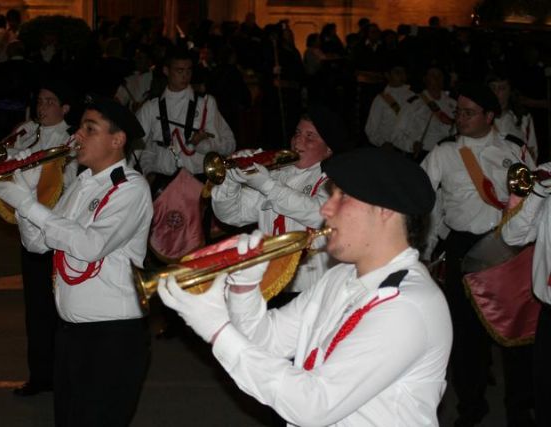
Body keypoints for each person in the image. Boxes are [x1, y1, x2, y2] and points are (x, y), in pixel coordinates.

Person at [158, 147, 452, 426]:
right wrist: (244, 288)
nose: (326, 209)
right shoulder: (342, 276)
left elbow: (314, 404)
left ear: (385, 211)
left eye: (342, 196)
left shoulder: (406, 307)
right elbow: (266, 341)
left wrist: (218, 330)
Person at [0, 96, 152, 426]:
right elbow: (37, 243)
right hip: (72, 333)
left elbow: (90, 246)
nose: (77, 137)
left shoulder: (131, 188)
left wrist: (29, 206)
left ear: (117, 141)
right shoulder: (82, 183)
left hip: (112, 336)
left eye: (91, 129)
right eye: (79, 129)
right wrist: (25, 194)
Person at [421, 84, 535, 427]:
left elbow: (532, 199)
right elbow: (421, 195)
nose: (461, 119)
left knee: (514, 333)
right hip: (464, 247)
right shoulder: (443, 153)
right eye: (458, 112)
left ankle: (519, 408)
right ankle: (471, 406)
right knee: (466, 335)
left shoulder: (513, 150)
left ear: (490, 116)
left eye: (469, 113)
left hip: (506, 247)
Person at [211, 105, 342, 302]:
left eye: (310, 136)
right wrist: (230, 179)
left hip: (309, 289)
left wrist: (268, 186)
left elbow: (319, 214)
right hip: (269, 282)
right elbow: (231, 215)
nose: (298, 140)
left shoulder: (332, 180)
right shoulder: (276, 174)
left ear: (328, 149)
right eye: (297, 133)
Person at [7, 81, 79, 397]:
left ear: (64, 109)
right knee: (35, 307)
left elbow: (73, 182)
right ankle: (39, 375)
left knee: (61, 308)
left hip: (58, 227)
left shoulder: (72, 139)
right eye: (40, 100)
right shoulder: (25, 131)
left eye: (50, 101)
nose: (42, 106)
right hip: (30, 227)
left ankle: (65, 375)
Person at [501, 163, 551, 427]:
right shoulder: (545, 178)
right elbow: (512, 236)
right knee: (545, 397)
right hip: (549, 313)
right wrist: (540, 193)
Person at [135, 47, 235, 178]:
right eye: (179, 71)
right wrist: (146, 172)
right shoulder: (151, 107)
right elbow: (137, 148)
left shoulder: (205, 103)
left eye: (189, 71)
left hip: (198, 177)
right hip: (162, 181)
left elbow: (230, 145)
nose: (185, 76)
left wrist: (201, 144)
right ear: (166, 71)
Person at [393, 65, 456, 160]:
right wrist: (411, 145)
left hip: (447, 156)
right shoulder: (413, 103)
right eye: (432, 75)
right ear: (425, 79)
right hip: (422, 155)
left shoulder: (454, 104)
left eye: (439, 75)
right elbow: (396, 134)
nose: (436, 78)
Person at [487, 70, 538, 161]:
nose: (496, 93)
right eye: (493, 88)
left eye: (502, 88)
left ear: (510, 91)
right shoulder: (479, 116)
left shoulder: (523, 117)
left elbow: (532, 153)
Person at [365, 60, 415, 150]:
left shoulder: (414, 97)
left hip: (408, 149)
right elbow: (371, 129)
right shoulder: (381, 99)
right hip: (388, 149)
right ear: (387, 75)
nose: (402, 75)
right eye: (397, 72)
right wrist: (382, 143)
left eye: (403, 72)